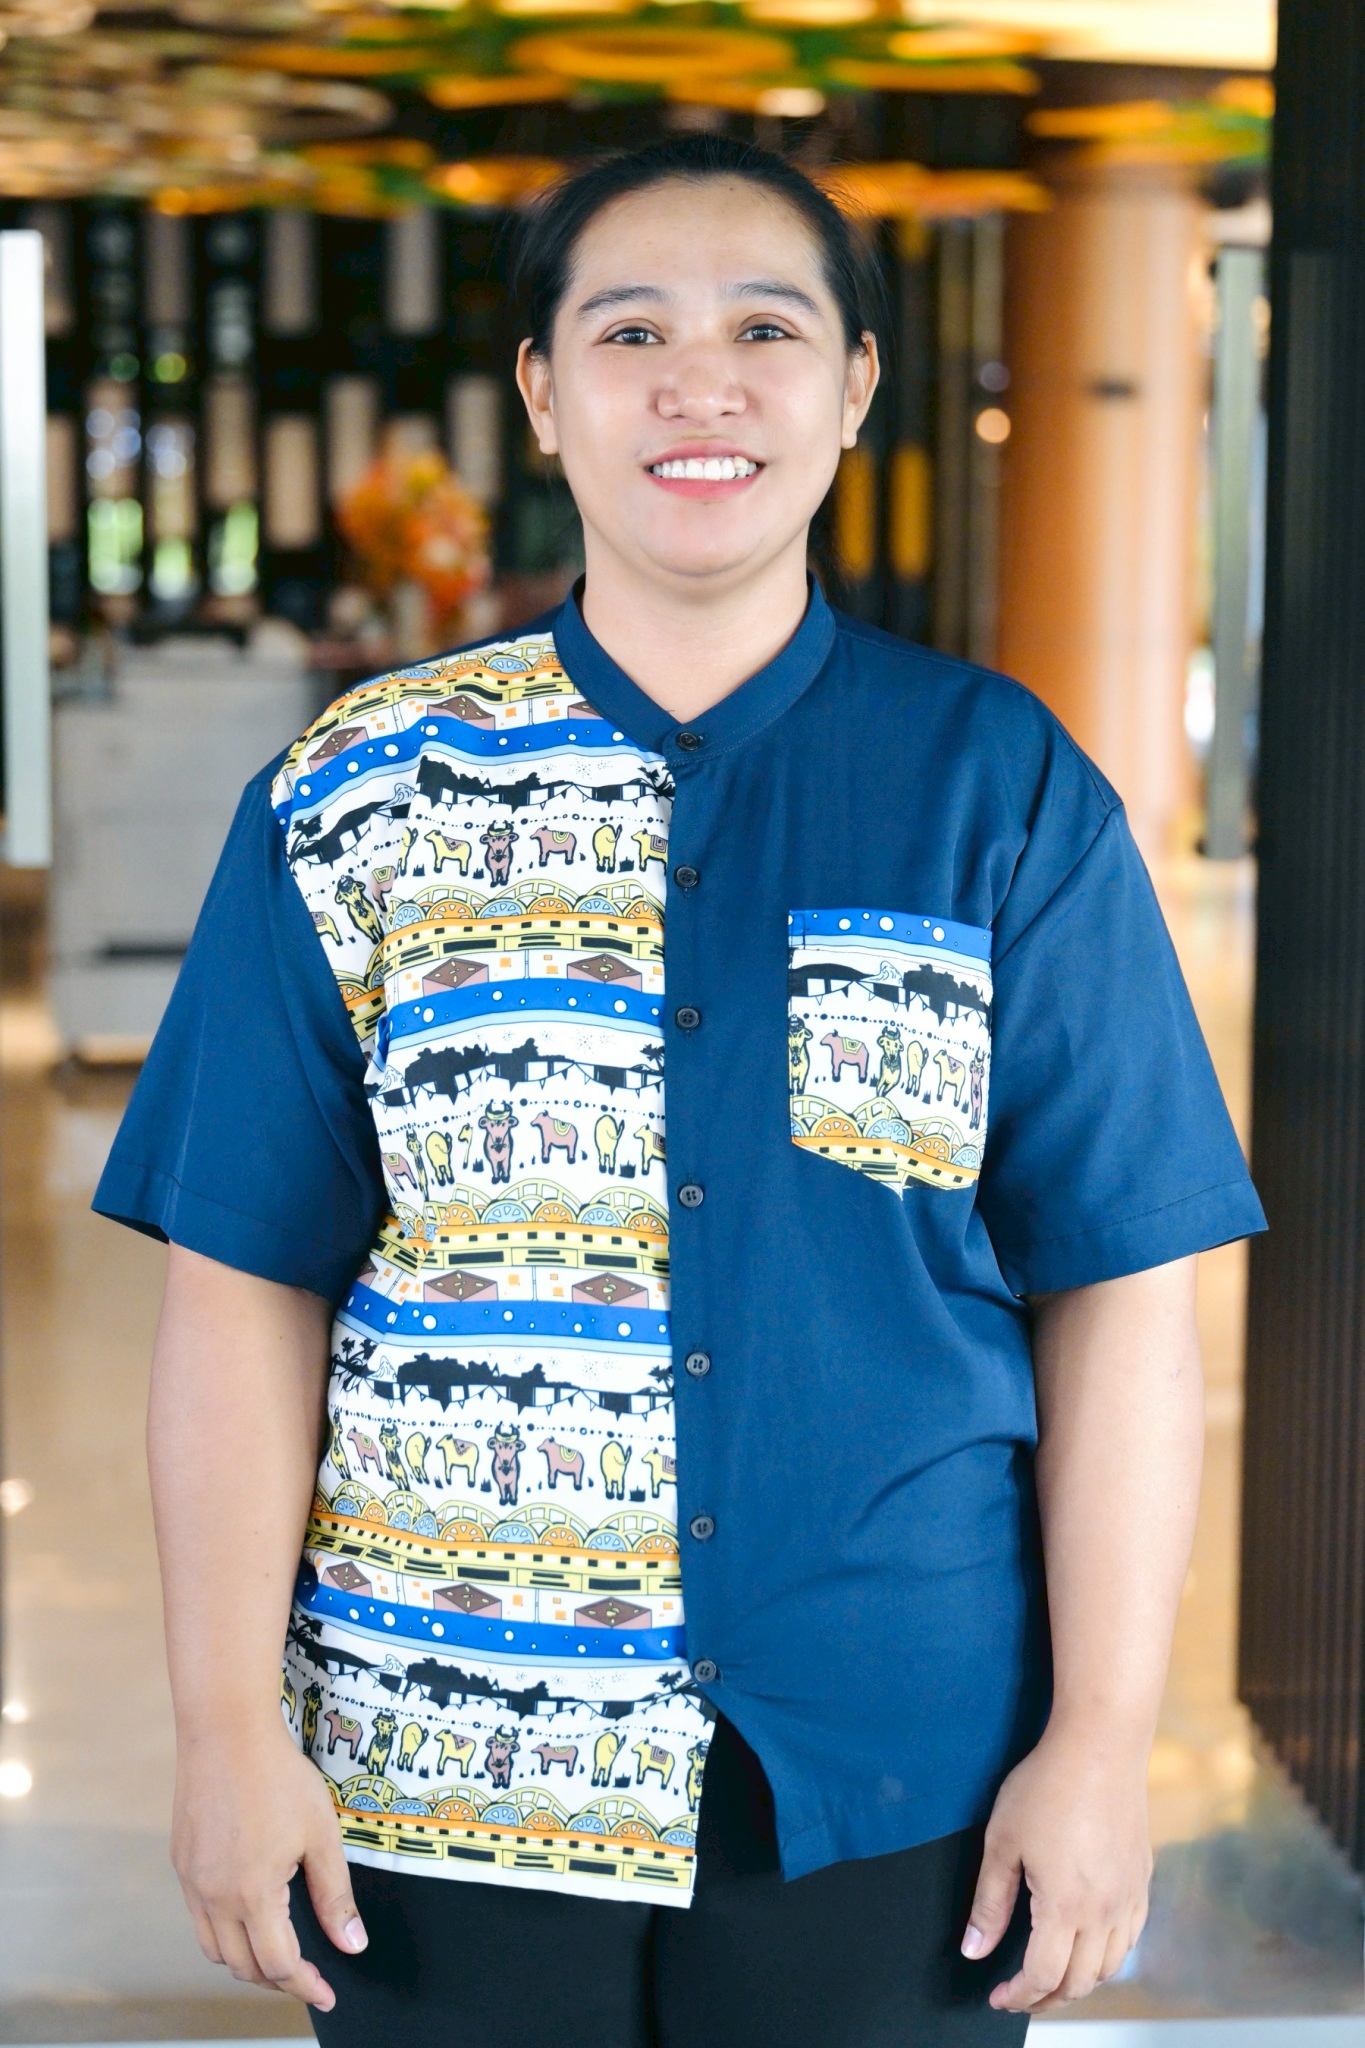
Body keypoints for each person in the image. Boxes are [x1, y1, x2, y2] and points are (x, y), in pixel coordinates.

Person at [94, 135, 1266, 2048]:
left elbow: (1120, 1297)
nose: (698, 384)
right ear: (544, 393)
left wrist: (1099, 1742)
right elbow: (242, 1288)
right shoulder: (360, 789)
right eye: (630, 332)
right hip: (437, 1760)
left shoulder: (997, 786)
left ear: (854, 387)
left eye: (765, 330)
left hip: (899, 1769)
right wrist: (226, 1730)